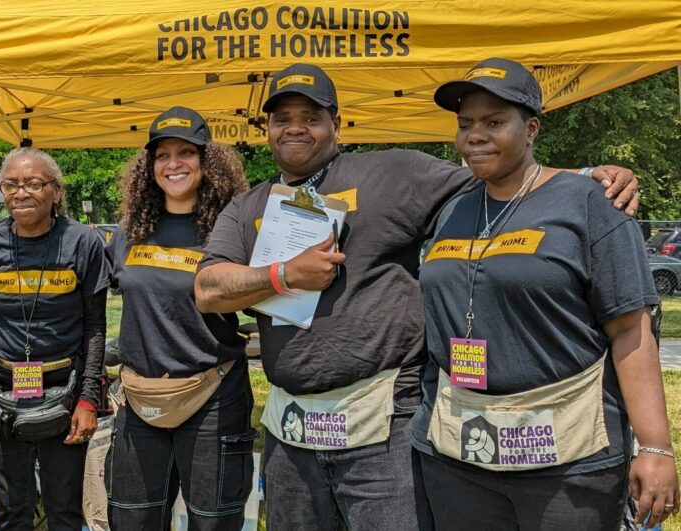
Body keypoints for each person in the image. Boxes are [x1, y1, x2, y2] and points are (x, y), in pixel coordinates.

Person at [193, 62, 640, 530]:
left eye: (311, 115)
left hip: (384, 430)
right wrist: (285, 274)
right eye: (282, 118)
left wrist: (592, 173)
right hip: (291, 439)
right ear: (267, 128)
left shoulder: (392, 172)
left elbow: (503, 175)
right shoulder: (247, 207)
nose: (295, 128)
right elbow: (208, 289)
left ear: (337, 124)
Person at [411, 57, 678, 530]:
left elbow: (630, 330)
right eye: (465, 123)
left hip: (566, 459)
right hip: (460, 453)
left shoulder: (592, 203)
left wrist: (655, 446)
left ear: (531, 128)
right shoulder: (453, 209)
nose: (474, 135)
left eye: (494, 122)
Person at [104, 107, 253, 529]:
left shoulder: (231, 232)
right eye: (162, 154)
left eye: (186, 152)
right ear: (148, 167)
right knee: (132, 521)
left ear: (207, 162)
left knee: (213, 522)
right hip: (140, 398)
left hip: (213, 396)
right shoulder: (128, 232)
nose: (173, 164)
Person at [0, 147, 108, 530]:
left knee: (64, 511)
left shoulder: (82, 243)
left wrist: (89, 399)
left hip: (66, 391)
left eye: (33, 184)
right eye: (10, 184)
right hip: (0, 394)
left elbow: (95, 327)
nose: (20, 193)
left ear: (55, 191)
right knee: (11, 512)